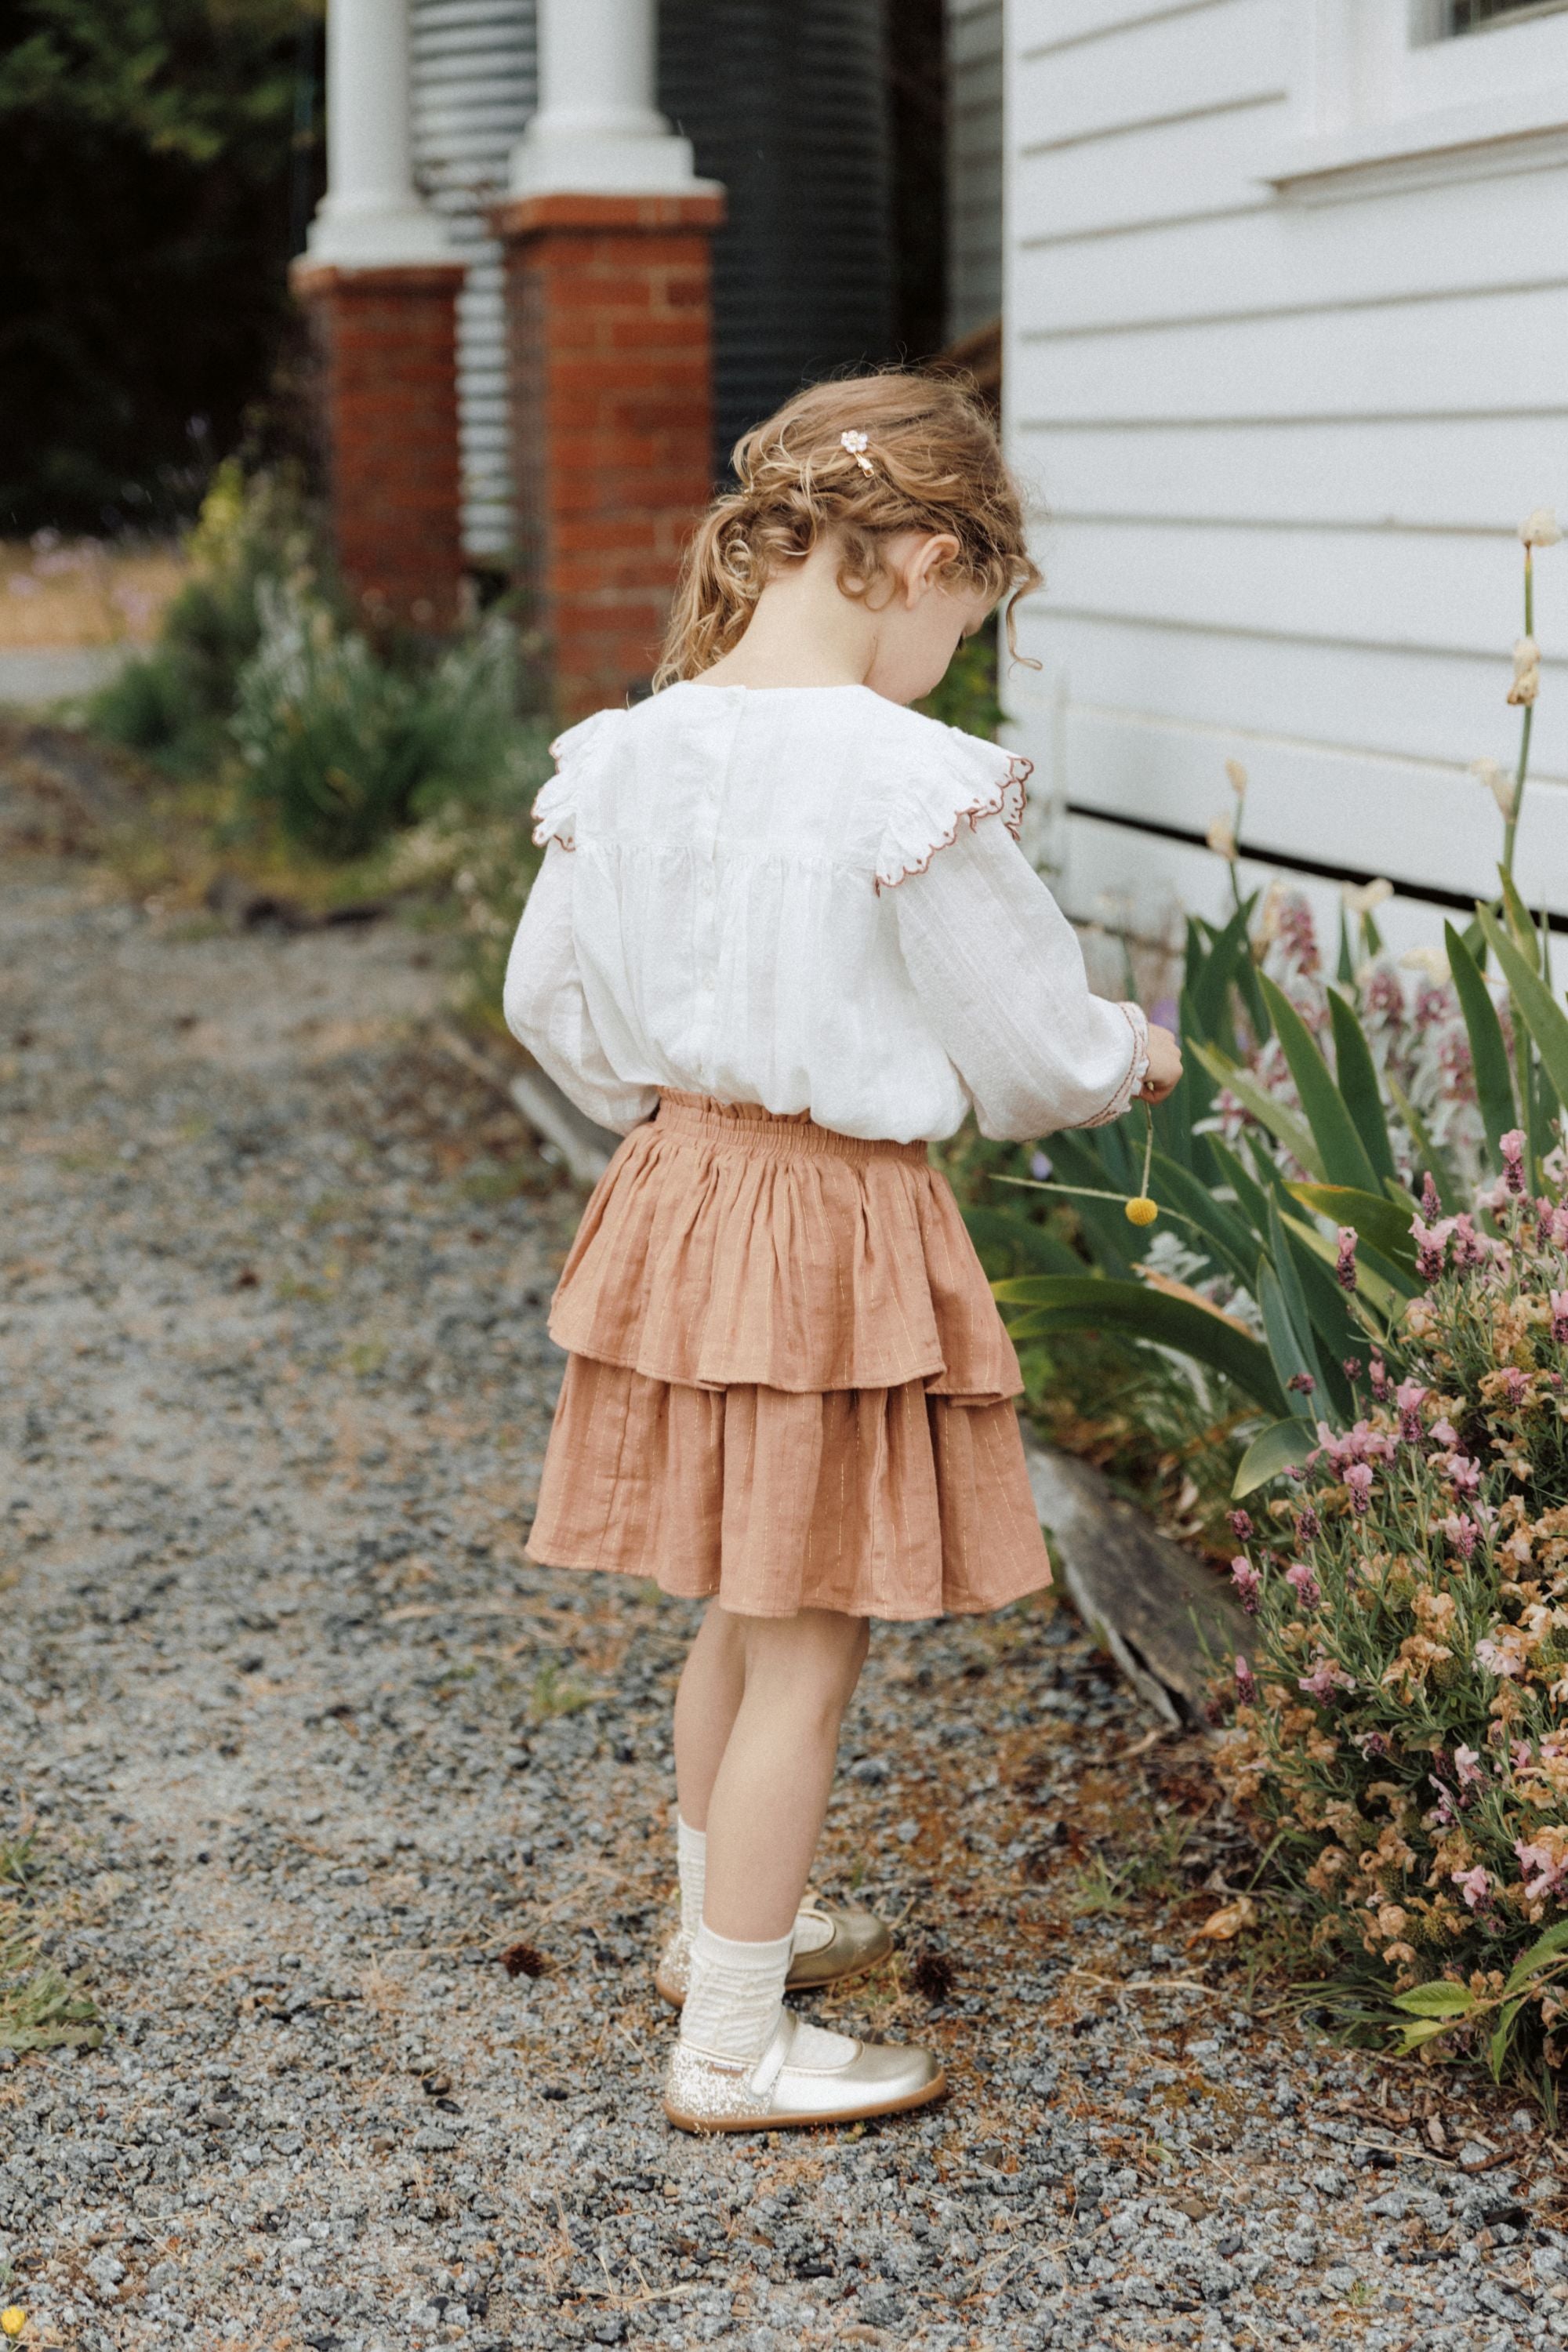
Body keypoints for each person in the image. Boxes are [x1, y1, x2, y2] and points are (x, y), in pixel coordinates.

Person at [503, 372, 1182, 2134]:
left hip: (677, 1188)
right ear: (928, 556)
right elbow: (1031, 1050)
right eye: (972, 614)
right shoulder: (901, 779)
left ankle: (725, 1919)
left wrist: (689, 1107)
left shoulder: (627, 747)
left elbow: (548, 1008)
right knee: (808, 1637)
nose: (958, 654)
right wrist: (1132, 1054)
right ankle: (730, 2046)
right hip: (821, 1223)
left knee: (742, 1596)